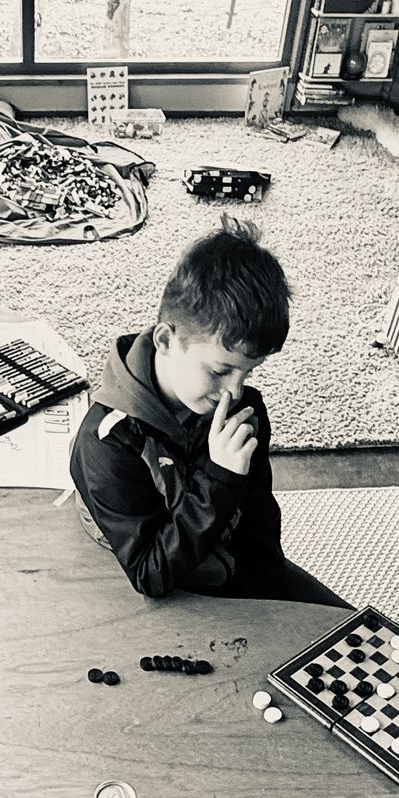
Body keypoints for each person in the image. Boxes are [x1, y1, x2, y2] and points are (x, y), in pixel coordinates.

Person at [68, 217, 344, 607]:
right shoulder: (106, 442)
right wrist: (220, 477)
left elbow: (259, 521)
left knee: (354, 631)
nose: (235, 390)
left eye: (248, 372)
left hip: (220, 554)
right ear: (166, 340)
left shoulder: (241, 407)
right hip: (161, 577)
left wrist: (272, 606)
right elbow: (150, 573)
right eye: (219, 371)